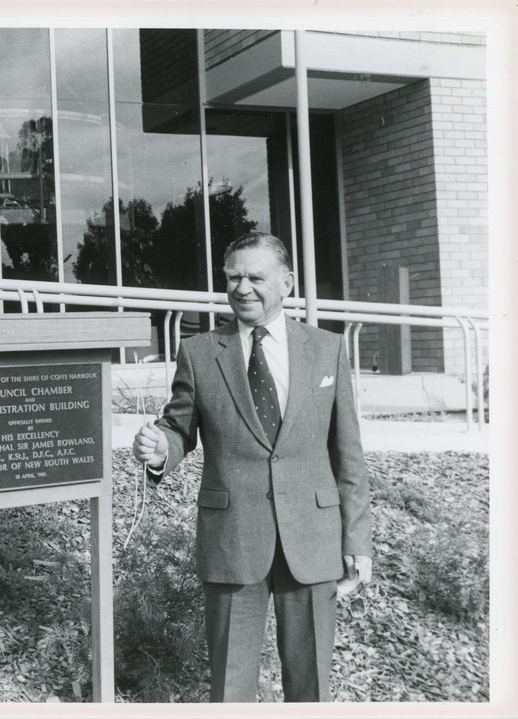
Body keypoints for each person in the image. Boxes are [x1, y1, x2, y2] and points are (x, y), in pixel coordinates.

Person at [133, 231, 372, 702]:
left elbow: (348, 453)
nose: (242, 288)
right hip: (233, 540)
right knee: (230, 687)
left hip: (313, 538)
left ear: (286, 283)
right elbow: (180, 429)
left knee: (311, 688)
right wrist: (161, 450)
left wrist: (356, 540)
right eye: (233, 277)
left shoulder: (327, 349)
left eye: (255, 277)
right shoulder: (200, 353)